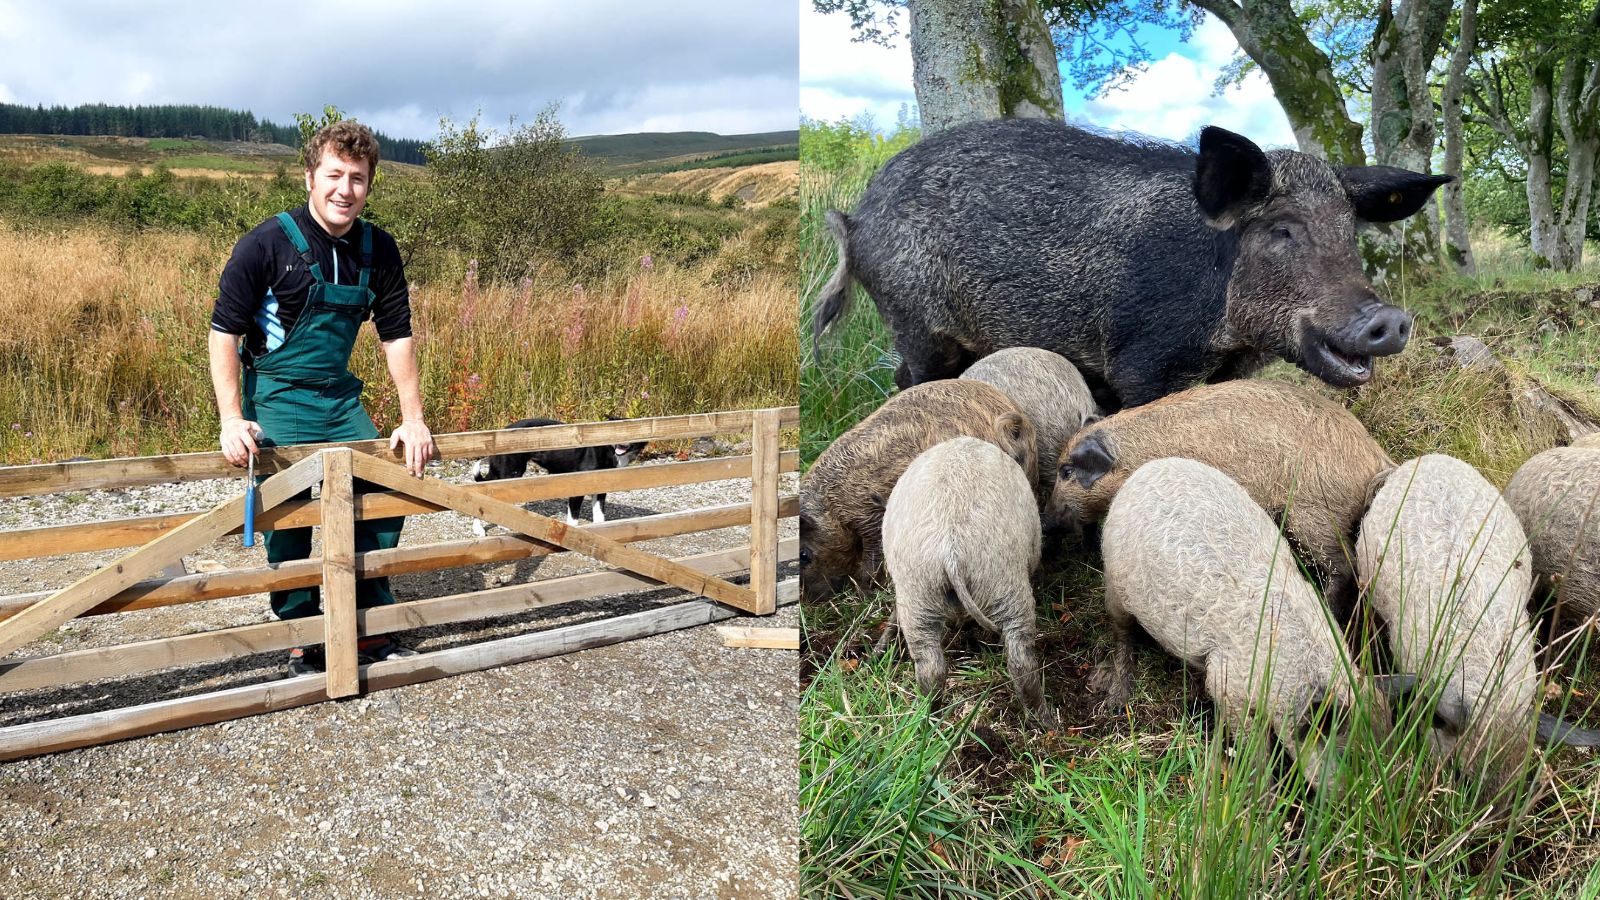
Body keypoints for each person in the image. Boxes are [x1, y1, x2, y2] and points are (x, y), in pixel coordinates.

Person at [208, 120, 436, 676]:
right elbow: (224, 334)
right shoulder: (265, 244)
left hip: (338, 397)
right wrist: (232, 418)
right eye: (334, 175)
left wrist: (413, 419)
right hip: (279, 395)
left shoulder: (377, 248)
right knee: (288, 518)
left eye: (357, 178)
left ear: (369, 184)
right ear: (310, 176)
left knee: (384, 493)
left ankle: (366, 622)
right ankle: (300, 632)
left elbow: (396, 332)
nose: (345, 189)